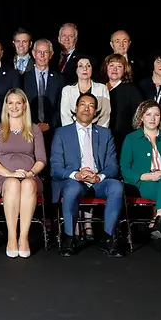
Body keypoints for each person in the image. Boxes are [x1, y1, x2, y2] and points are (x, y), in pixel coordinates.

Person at [51, 93, 125, 258]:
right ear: (76, 109)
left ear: (95, 112)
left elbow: (113, 166)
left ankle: (108, 238)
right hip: (74, 181)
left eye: (91, 105)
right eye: (82, 104)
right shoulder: (62, 133)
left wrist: (98, 177)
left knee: (116, 187)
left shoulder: (105, 134)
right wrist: (76, 175)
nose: (86, 108)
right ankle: (70, 238)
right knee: (71, 190)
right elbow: (55, 168)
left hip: (98, 181)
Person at [120, 100, 161, 259]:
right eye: (148, 114)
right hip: (144, 183)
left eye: (156, 114)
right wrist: (145, 176)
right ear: (141, 117)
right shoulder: (131, 138)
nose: (152, 118)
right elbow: (124, 168)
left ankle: (159, 218)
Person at [0, 88, 47, 258]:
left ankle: (24, 237)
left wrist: (30, 173)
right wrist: (9, 174)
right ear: (6, 106)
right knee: (12, 184)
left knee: (27, 185)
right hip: (2, 177)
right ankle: (12, 238)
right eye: (10, 103)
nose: (14, 107)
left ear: (24, 106)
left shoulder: (34, 129)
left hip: (30, 177)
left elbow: (41, 159)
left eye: (18, 103)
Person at [101, 53, 143, 151]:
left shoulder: (132, 90)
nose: (114, 69)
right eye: (111, 65)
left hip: (123, 140)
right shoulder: (98, 88)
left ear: (124, 70)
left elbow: (138, 118)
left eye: (119, 66)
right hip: (101, 138)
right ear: (106, 68)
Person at [22, 38, 63, 135]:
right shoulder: (23, 78)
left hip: (53, 130)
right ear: (33, 53)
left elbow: (61, 106)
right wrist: (33, 125)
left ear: (51, 54)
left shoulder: (59, 79)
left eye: (46, 52)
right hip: (29, 130)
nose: (42, 55)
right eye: (39, 52)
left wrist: (49, 125)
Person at [59, 56, 111, 127]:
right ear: (76, 69)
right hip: (73, 131)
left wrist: (98, 132)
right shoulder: (67, 90)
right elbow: (65, 115)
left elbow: (105, 114)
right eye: (80, 66)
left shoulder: (102, 88)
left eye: (88, 66)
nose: (85, 69)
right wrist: (74, 133)